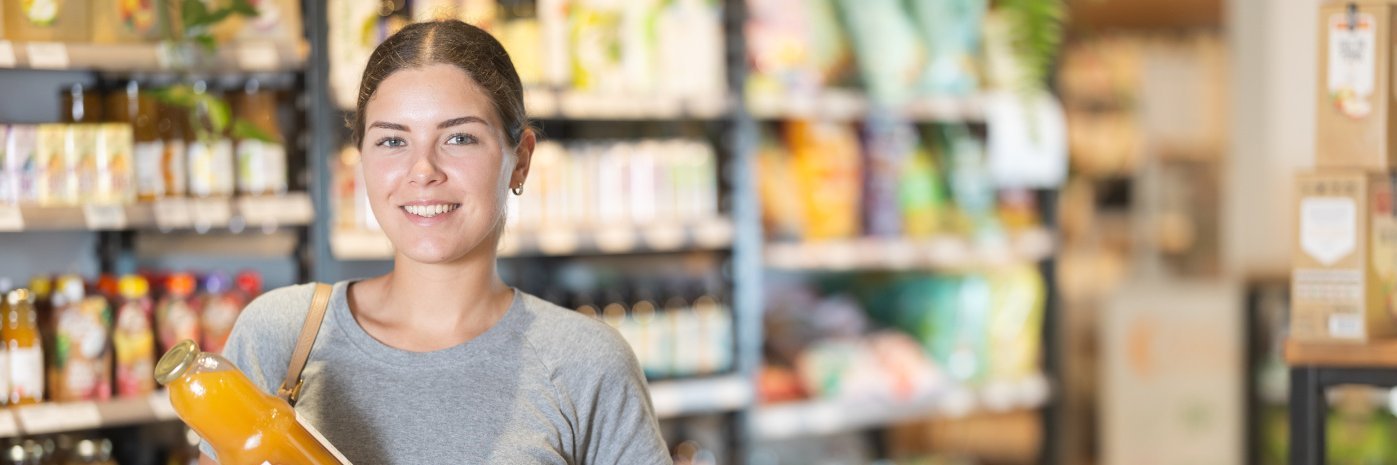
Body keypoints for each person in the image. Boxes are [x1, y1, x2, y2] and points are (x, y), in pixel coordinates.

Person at [199, 20, 671, 464]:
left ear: (521, 160)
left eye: (459, 137)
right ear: (360, 156)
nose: (423, 170)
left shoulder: (585, 363)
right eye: (391, 141)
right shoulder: (281, 336)